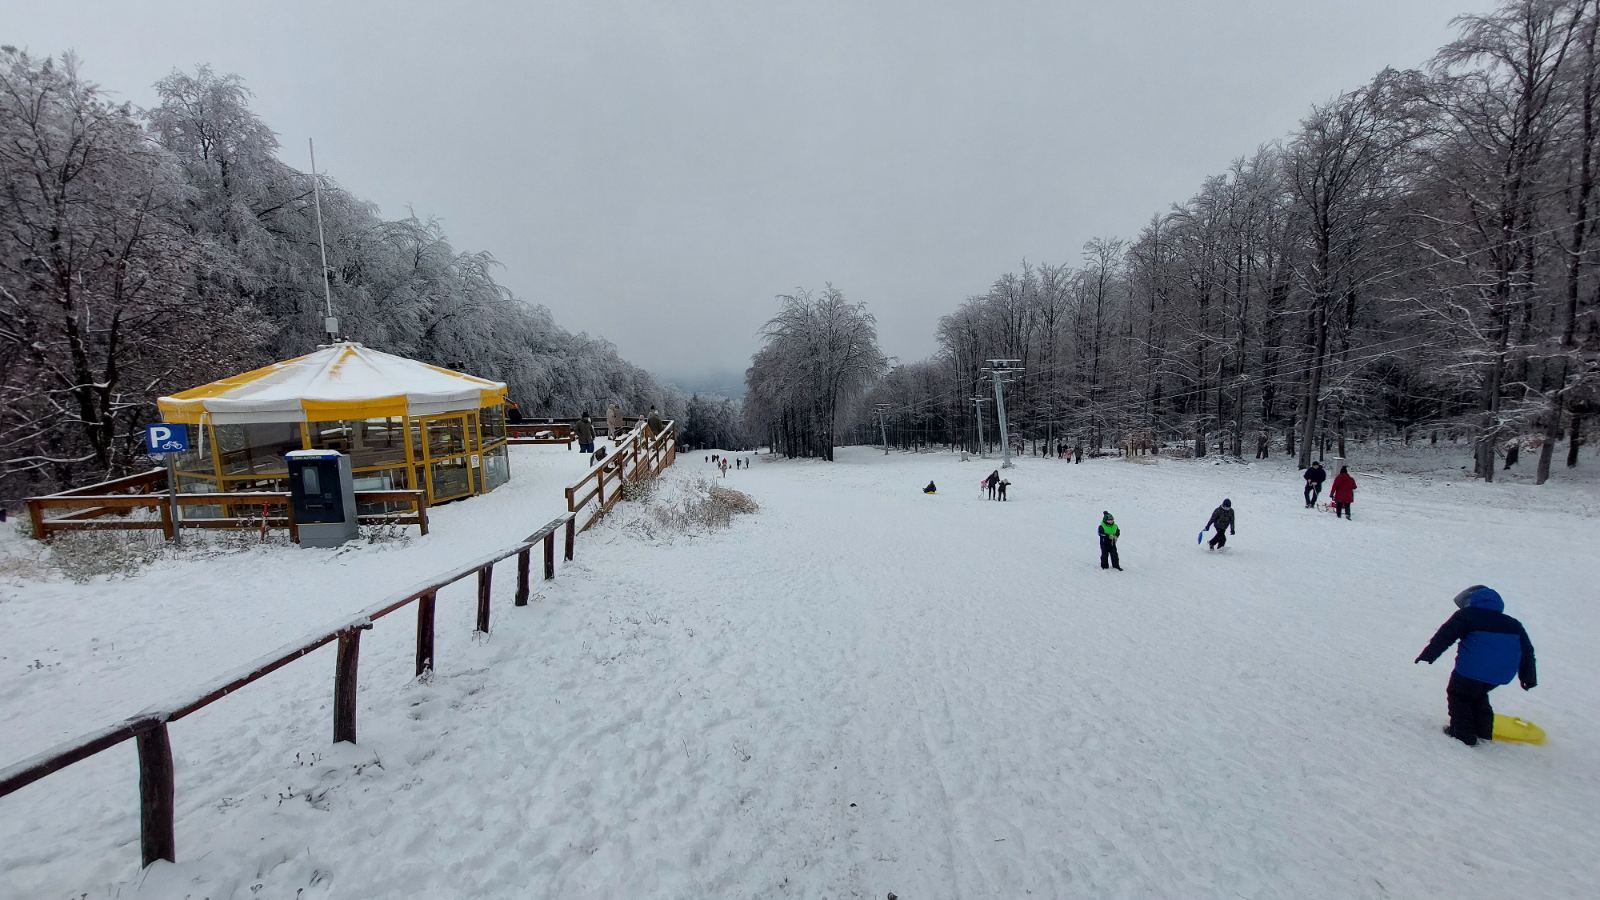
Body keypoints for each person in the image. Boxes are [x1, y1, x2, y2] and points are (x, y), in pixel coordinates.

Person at [1415, 586, 1537, 747]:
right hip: (1500, 675)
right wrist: (1528, 677)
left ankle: (1462, 734)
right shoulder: (1513, 624)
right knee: (1478, 695)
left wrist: (1428, 655)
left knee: (1459, 696)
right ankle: (1483, 732)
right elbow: (1527, 651)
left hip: (1471, 671)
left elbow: (1445, 636)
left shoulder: (1466, 615)